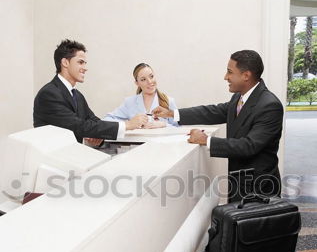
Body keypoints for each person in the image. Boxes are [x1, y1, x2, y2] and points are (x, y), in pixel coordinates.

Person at [153, 50, 284, 201]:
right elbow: (212, 112)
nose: (225, 77)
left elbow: (249, 146)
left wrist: (206, 140)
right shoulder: (239, 97)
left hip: (259, 189)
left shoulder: (270, 105)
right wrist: (172, 113)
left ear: (246, 76)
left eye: (229, 72)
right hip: (239, 184)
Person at [33, 39, 148, 146]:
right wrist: (127, 125)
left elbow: (92, 120)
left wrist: (99, 138)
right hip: (52, 161)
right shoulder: (48, 94)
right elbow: (79, 126)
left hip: (71, 158)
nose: (85, 68)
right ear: (65, 63)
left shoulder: (77, 95)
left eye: (85, 63)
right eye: (81, 62)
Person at [103, 63, 178, 128]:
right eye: (143, 79)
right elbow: (107, 119)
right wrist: (129, 124)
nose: (150, 81)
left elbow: (178, 127)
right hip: (137, 144)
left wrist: (163, 124)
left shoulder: (168, 101)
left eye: (151, 76)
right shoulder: (129, 102)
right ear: (137, 83)